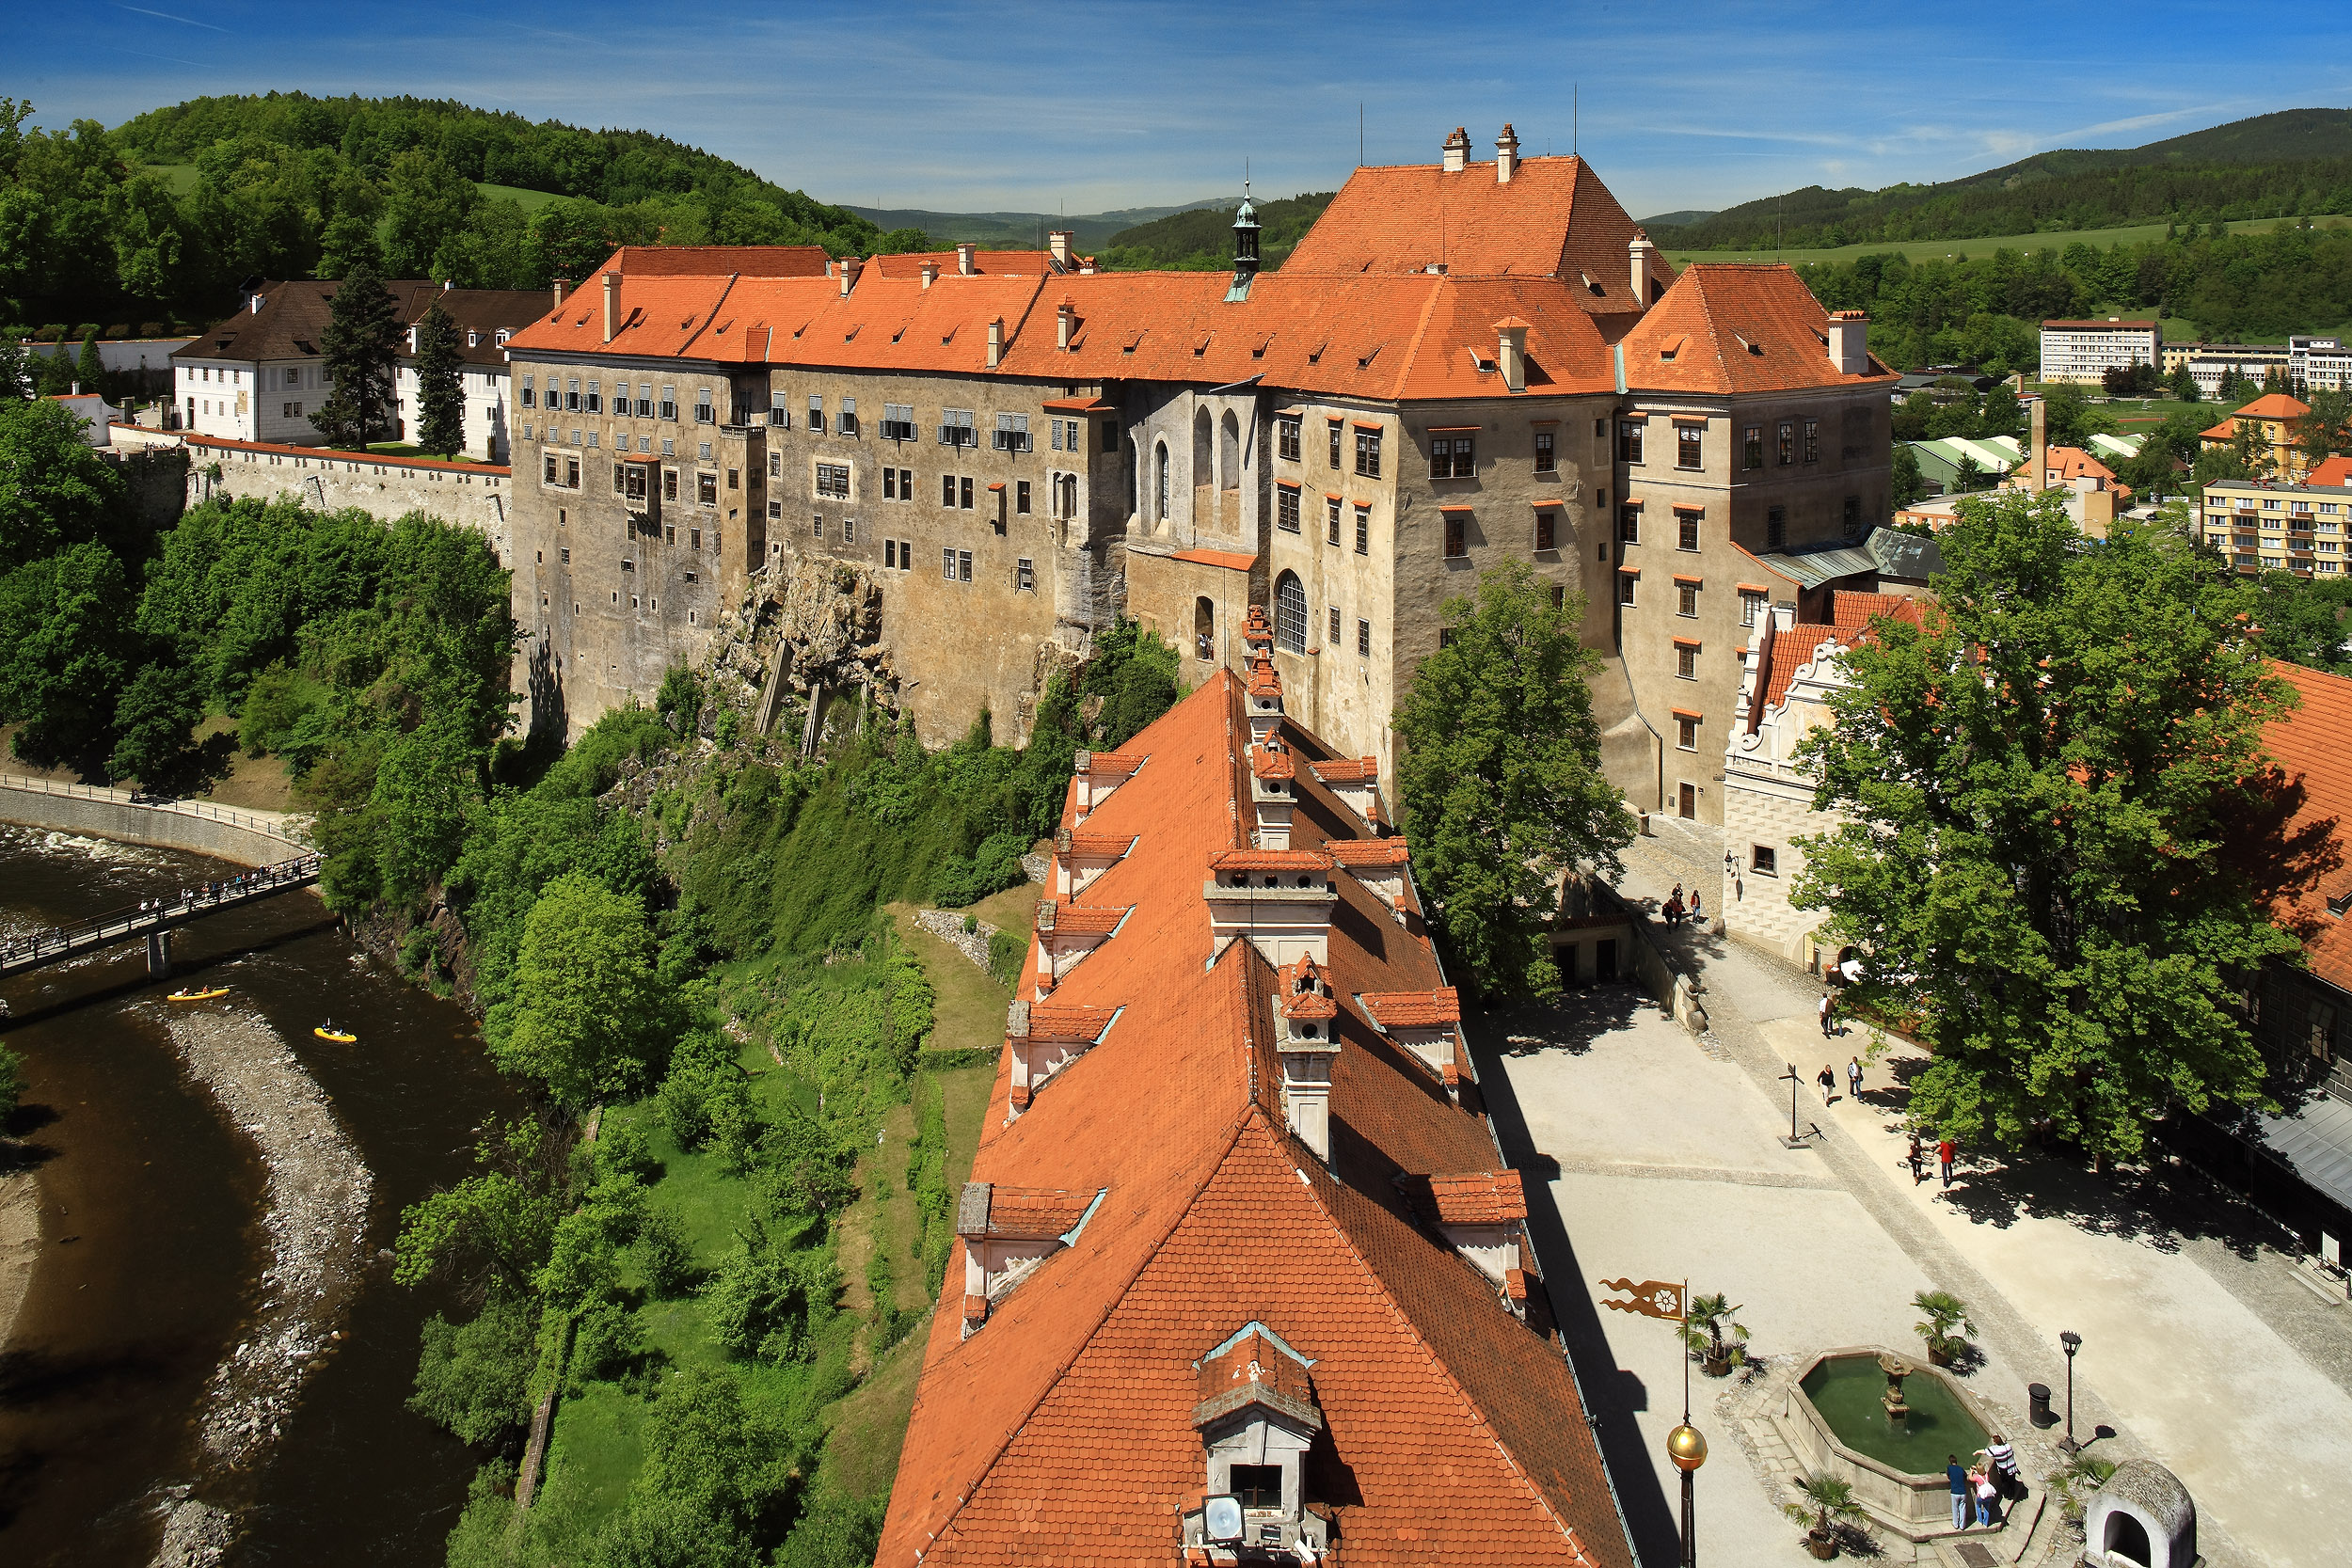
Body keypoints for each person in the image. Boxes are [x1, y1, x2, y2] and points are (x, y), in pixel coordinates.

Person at [1985, 1433, 2022, 1500]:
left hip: (2004, 1469)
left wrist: (1977, 1452)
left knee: (2005, 1482)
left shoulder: (1995, 1450)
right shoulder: (2008, 1446)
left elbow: (1986, 1452)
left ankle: (2007, 1495)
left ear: (1995, 1442)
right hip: (2012, 1467)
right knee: (2012, 1481)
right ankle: (2012, 1494)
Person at [1947, 1454, 1970, 1530]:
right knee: (1962, 1509)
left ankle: (1955, 1524)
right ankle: (1962, 1525)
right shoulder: (1961, 1468)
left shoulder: (1949, 1468)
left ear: (1950, 1461)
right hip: (1963, 1492)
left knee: (1955, 1508)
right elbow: (1965, 1476)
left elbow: (1948, 1476)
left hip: (1954, 1492)